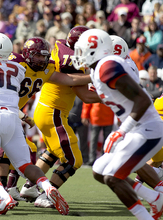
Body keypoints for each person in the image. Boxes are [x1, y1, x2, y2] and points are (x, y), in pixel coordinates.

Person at [0, 33, 69, 216]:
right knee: (24, 164)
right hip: (12, 118)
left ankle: (3, 196)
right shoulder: (18, 68)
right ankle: (47, 188)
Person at [0, 35, 93, 206]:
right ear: (28, 54)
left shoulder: (46, 69)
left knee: (24, 149)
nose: (42, 59)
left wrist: (94, 77)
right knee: (13, 150)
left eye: (44, 56)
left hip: (9, 111)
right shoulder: (15, 62)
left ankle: (3, 189)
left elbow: (70, 79)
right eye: (37, 56)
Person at [72, 28, 163, 220]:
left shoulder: (107, 67)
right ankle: (155, 197)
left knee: (113, 177)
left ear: (95, 49)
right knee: (99, 170)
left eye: (82, 49)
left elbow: (143, 101)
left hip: (147, 129)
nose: (78, 54)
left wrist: (121, 131)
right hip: (137, 128)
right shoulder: (99, 68)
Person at [25, 26, 102, 208]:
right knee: (74, 159)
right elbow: (85, 96)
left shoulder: (61, 48)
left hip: (46, 111)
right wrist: (108, 95)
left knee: (53, 151)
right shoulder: (72, 60)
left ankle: (29, 186)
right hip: (53, 113)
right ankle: (46, 195)